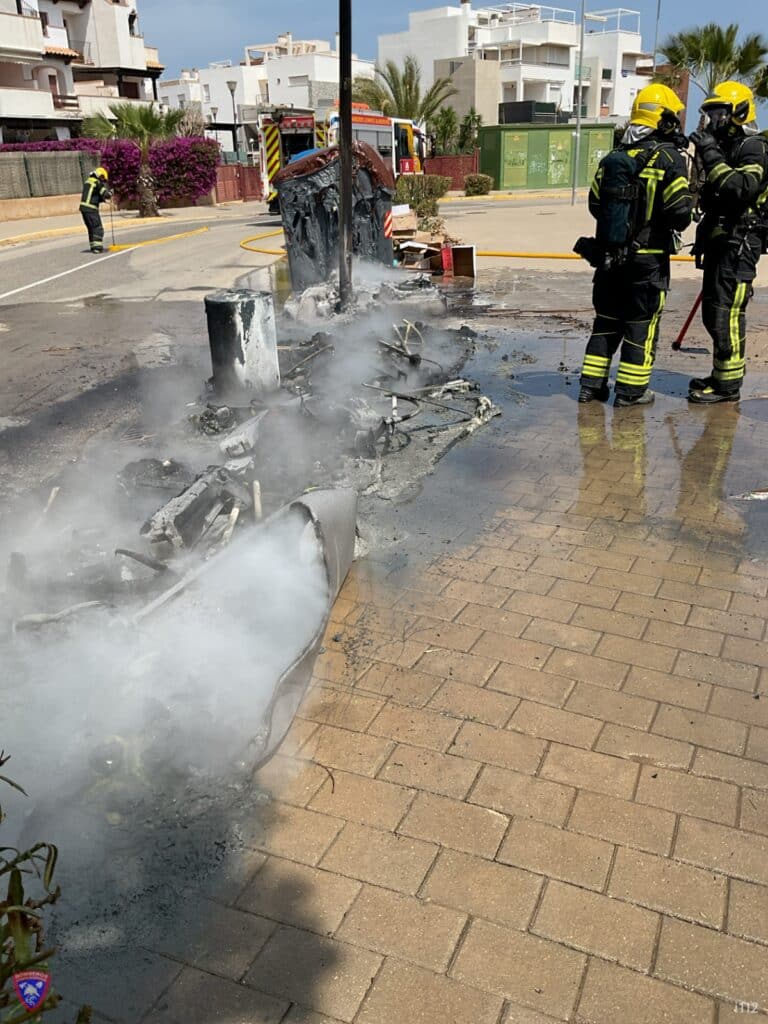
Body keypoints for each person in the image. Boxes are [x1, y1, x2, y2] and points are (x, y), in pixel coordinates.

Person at [578, 84, 693, 408]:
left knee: (606, 323)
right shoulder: (669, 159)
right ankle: (631, 392)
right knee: (640, 327)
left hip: (609, 259)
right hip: (648, 263)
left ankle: (590, 387)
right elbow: (680, 213)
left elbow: (595, 204)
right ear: (666, 120)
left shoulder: (613, 158)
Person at [688, 82, 768, 404]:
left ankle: (728, 387)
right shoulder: (722, 146)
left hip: (740, 246)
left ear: (739, 113)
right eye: (710, 114)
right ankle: (721, 375)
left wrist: (708, 152)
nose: (713, 121)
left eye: (720, 114)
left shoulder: (753, 147)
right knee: (712, 313)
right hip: (723, 243)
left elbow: (742, 189)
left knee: (728, 316)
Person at [79, 166, 111, 254]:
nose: (103, 182)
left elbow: (93, 194)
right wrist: (110, 193)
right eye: (103, 179)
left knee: (91, 228)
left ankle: (93, 246)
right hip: (91, 209)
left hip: (83, 209)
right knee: (97, 227)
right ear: (100, 176)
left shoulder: (88, 182)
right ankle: (97, 248)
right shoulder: (97, 183)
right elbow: (105, 194)